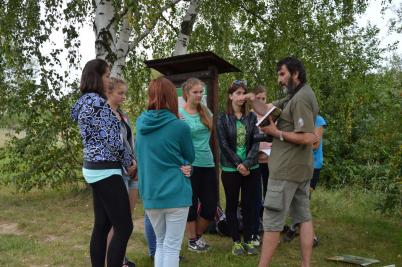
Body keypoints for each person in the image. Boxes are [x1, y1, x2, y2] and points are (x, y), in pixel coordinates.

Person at [248, 57, 319, 267]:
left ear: (295, 73)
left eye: (282, 74)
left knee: (272, 221)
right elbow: (265, 108)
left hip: (287, 170)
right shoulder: (292, 95)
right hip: (299, 169)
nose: (279, 80)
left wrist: (276, 133)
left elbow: (308, 137)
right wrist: (250, 98)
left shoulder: (302, 98)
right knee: (303, 217)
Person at [71, 59, 136, 267]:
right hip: (106, 169)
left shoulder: (83, 102)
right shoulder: (98, 104)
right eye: (106, 75)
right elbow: (114, 140)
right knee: (124, 227)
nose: (108, 80)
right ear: (97, 76)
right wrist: (129, 162)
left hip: (92, 168)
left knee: (102, 224)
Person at [136, 77, 195, 267]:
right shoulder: (180, 126)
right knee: (171, 247)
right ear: (171, 97)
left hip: (151, 194)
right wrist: (185, 163)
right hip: (176, 193)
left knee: (161, 244)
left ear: (151, 96)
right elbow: (190, 155)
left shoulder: (140, 123)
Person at [216, 80, 260, 256]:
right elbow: (223, 145)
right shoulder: (222, 118)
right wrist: (238, 164)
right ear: (230, 96)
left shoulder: (252, 117)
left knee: (250, 205)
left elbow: (256, 142)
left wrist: (247, 163)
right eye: (238, 93)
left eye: (244, 93)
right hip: (230, 169)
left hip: (252, 168)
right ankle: (236, 241)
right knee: (232, 205)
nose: (241, 97)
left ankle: (249, 240)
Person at [180, 78, 217, 253]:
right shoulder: (180, 114)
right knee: (191, 204)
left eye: (201, 91)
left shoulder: (206, 111)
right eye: (195, 92)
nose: (199, 95)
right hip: (190, 165)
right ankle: (193, 240)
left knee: (210, 206)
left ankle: (197, 235)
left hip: (208, 163)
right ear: (186, 93)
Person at [105, 77, 138, 267]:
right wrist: (128, 163)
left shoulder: (122, 114)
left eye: (124, 93)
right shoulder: (105, 116)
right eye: (120, 93)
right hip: (118, 171)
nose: (123, 97)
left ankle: (120, 257)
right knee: (117, 222)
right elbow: (114, 145)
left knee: (126, 221)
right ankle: (113, 261)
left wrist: (135, 164)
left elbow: (129, 141)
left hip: (132, 170)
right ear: (109, 93)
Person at [250, 85, 272, 247]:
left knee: (270, 194)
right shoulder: (249, 115)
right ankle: (255, 226)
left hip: (270, 160)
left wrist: (269, 151)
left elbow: (275, 135)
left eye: (264, 99)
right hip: (255, 160)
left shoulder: (271, 114)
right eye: (258, 99)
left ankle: (269, 226)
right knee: (255, 195)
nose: (261, 102)